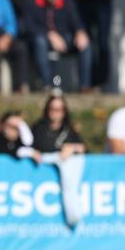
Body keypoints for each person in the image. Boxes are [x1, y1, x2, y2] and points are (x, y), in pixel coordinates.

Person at [20, 0, 92, 91]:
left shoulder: (68, 2)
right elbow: (27, 26)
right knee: (40, 42)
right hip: (41, 40)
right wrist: (49, 34)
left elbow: (77, 22)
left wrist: (80, 32)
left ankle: (85, 86)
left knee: (85, 44)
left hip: (64, 39)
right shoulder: (31, 2)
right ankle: (48, 84)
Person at [30, 94, 86, 228]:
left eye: (59, 109)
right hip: (40, 175)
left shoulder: (69, 130)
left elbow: (84, 147)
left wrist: (72, 148)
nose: (56, 113)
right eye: (53, 109)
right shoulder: (38, 129)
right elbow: (29, 147)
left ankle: (73, 215)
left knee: (70, 189)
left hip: (67, 171)